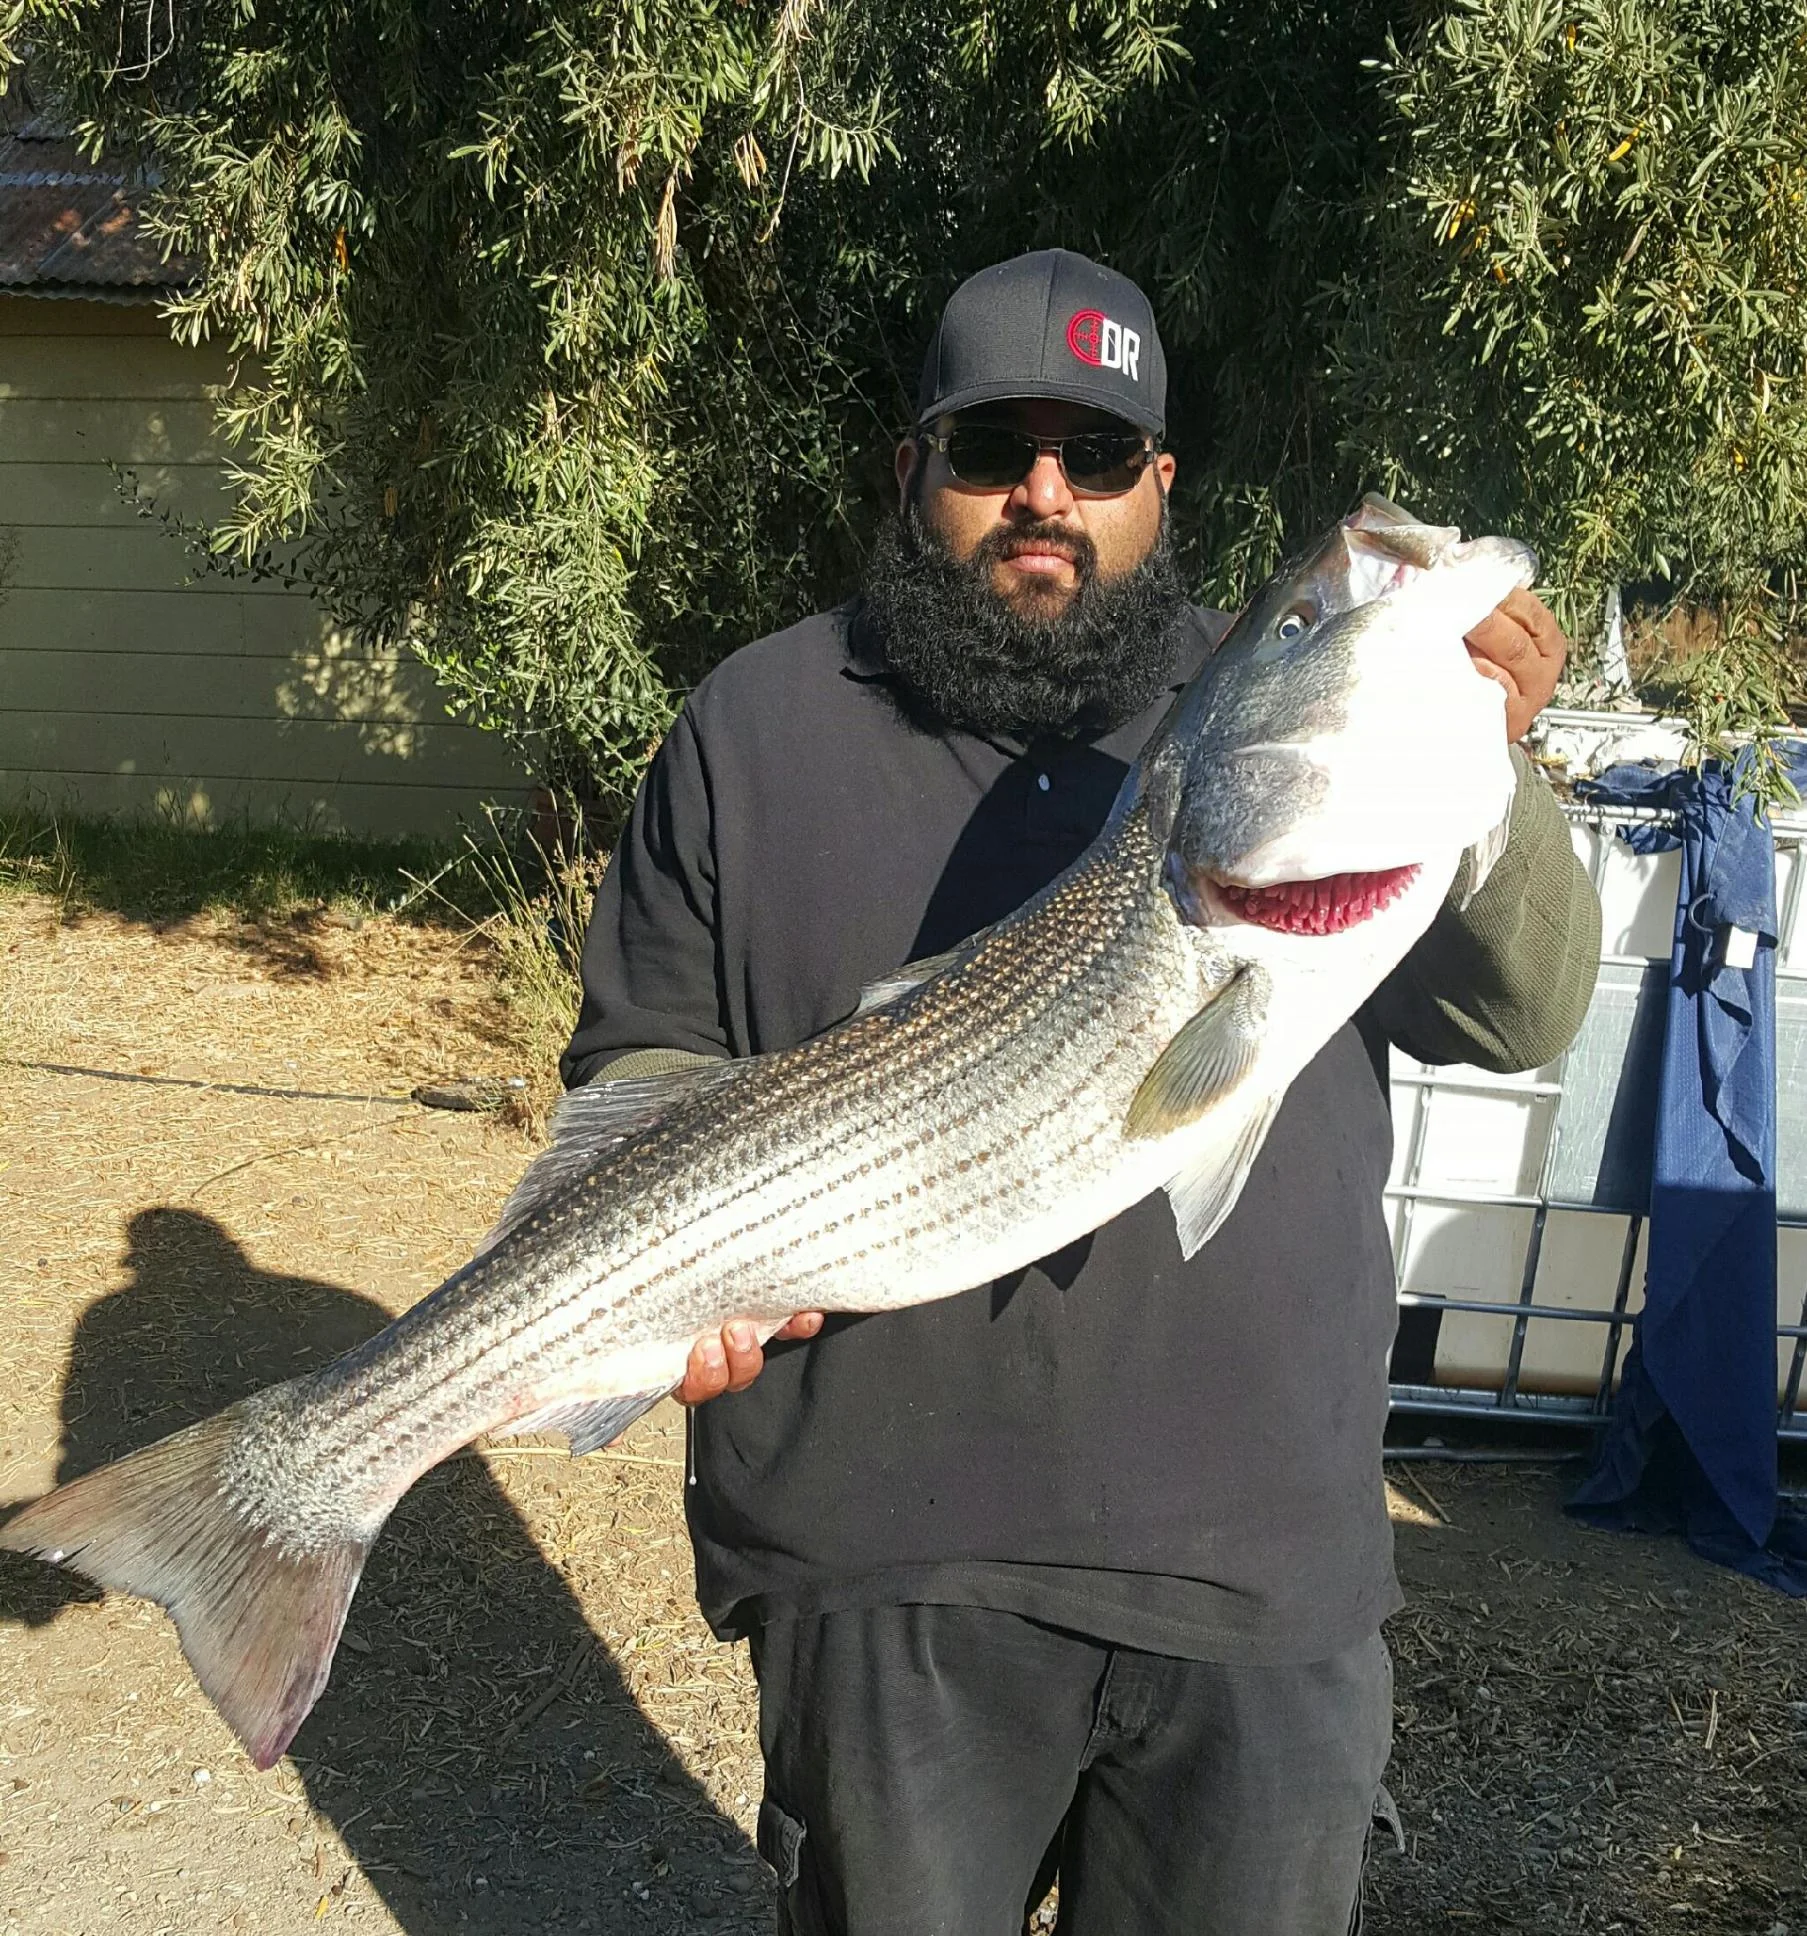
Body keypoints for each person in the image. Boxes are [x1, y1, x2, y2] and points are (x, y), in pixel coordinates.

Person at [563, 249, 1601, 1935]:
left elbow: (1523, 1012)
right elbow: (640, 1062)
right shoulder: (750, 724)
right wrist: (660, 1282)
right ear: (914, 471)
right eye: (990, 450)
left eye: (1098, 457)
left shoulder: (1282, 720)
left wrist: (1490, 745)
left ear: (1160, 485)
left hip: (1262, 1570)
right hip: (885, 1562)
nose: (1043, 495)